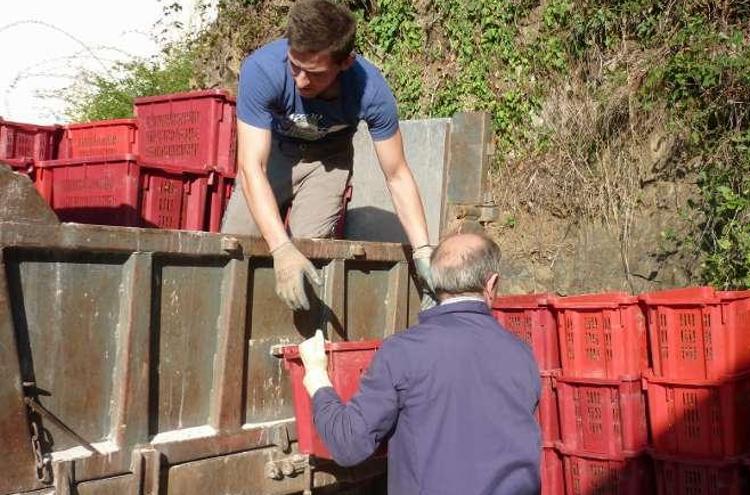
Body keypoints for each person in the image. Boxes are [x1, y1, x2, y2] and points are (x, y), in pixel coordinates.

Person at [222, 0, 433, 310]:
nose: (301, 81)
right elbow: (252, 166)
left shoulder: (371, 91)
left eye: (315, 73)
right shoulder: (262, 70)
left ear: (345, 62)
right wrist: (280, 247)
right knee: (235, 245)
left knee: (309, 254)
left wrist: (423, 251)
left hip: (329, 161)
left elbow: (397, 174)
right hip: (276, 155)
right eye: (295, 66)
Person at [297, 232, 542, 494]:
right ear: (492, 284)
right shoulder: (522, 355)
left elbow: (349, 445)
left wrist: (316, 376)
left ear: (434, 283)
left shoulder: (403, 351)